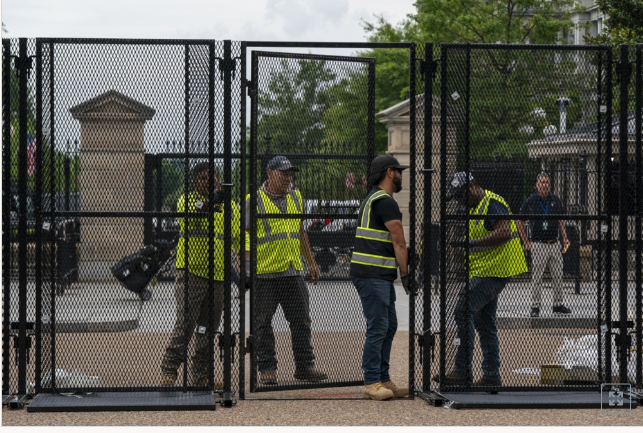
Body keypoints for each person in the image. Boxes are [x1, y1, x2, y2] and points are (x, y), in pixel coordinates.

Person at [435, 172, 527, 388]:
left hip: (498, 269)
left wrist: (473, 243)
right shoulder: (473, 208)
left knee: (462, 309)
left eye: (461, 196)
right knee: (484, 322)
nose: (460, 201)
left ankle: (462, 370)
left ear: (471, 187)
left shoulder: (492, 202)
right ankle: (491, 375)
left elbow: (504, 232)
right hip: (486, 269)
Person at [245, 155, 327, 385]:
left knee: (301, 321)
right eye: (284, 173)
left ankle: (305, 366)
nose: (288, 178)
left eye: (290, 173)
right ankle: (267, 369)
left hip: (292, 270)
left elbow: (300, 231)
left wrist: (311, 262)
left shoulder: (296, 196)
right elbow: (245, 235)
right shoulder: (255, 200)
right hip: (265, 273)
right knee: (262, 323)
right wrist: (247, 268)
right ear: (270, 174)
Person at [160, 162, 241, 388]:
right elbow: (194, 213)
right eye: (204, 178)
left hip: (218, 277)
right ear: (195, 181)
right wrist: (210, 204)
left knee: (207, 328)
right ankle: (169, 371)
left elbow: (236, 236)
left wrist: (240, 259)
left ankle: (201, 376)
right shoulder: (186, 200)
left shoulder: (231, 207)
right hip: (192, 273)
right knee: (186, 324)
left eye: (213, 177)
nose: (210, 181)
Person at [350, 154, 411, 401]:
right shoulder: (386, 202)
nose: (400, 175)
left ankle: (383, 378)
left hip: (376, 274)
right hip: (371, 274)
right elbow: (399, 242)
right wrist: (406, 275)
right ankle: (372, 381)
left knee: (389, 325)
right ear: (389, 172)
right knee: (378, 327)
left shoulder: (373, 199)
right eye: (398, 171)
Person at [516, 172, 571, 318]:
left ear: (550, 184)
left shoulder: (555, 200)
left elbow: (560, 219)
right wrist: (526, 242)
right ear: (537, 185)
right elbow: (519, 221)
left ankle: (558, 304)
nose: (544, 185)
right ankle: (535, 306)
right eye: (542, 182)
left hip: (553, 243)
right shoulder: (531, 201)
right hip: (539, 244)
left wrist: (564, 237)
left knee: (558, 274)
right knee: (537, 277)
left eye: (547, 182)